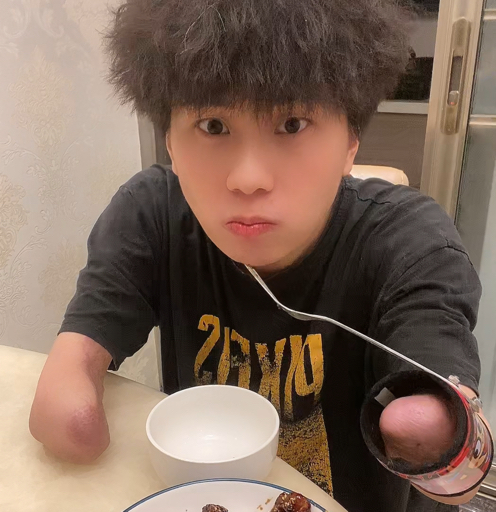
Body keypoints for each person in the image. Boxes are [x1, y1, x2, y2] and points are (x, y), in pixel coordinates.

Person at [29, 1, 490, 510]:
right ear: (170, 144)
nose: (248, 178)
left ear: (350, 142)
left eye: (292, 124)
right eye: (213, 126)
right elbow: (68, 391)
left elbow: (463, 468)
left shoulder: (408, 239)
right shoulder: (153, 214)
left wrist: (443, 438)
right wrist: (74, 395)